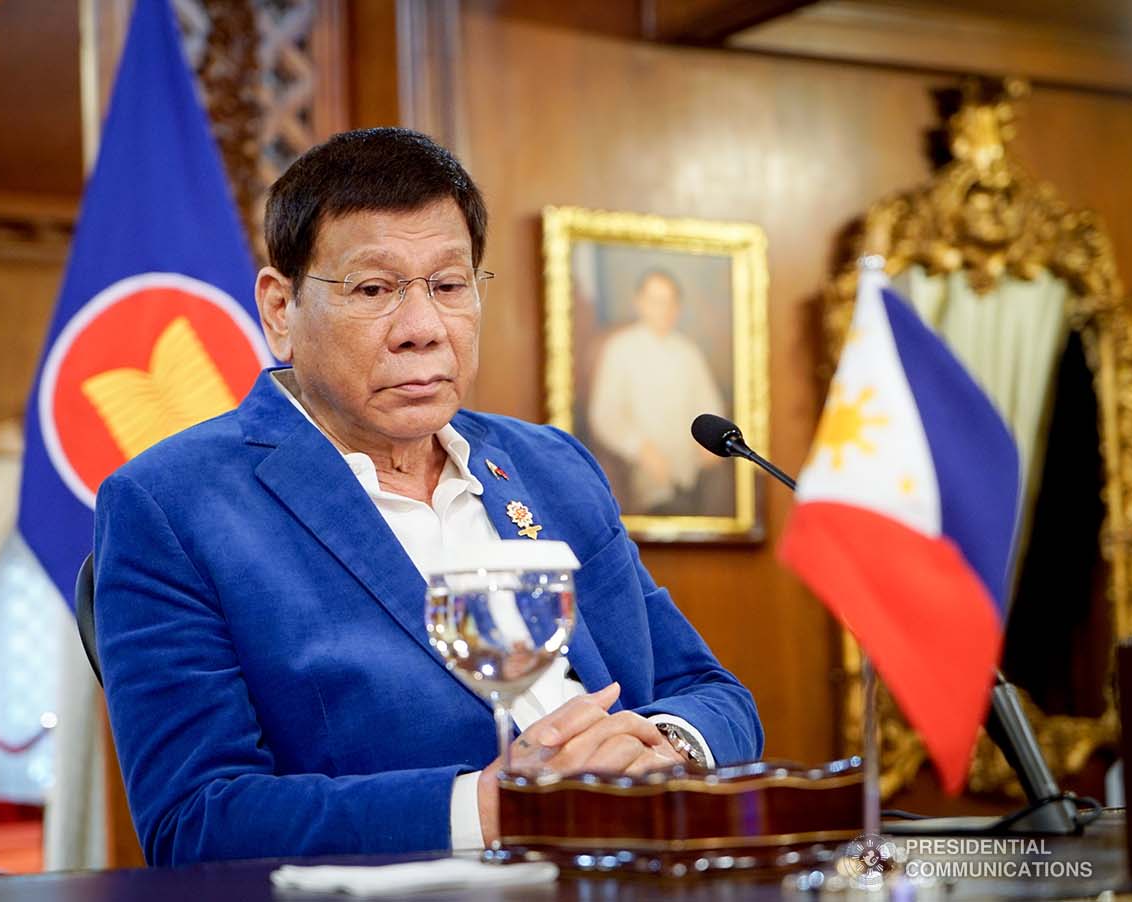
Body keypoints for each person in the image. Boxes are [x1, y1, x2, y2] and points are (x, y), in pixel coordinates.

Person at [93, 128, 763, 867]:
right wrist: (491, 807)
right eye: (374, 289)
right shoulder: (172, 504)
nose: (423, 330)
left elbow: (710, 692)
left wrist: (661, 749)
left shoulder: (552, 466)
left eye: (449, 286)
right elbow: (196, 821)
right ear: (281, 310)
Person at [587, 269, 727, 514]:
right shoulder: (620, 350)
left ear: (678, 307)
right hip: (641, 482)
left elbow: (709, 407)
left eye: (669, 302)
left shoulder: (688, 353)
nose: (663, 309)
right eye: (656, 301)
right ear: (640, 303)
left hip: (690, 479)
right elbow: (605, 416)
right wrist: (640, 448)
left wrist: (709, 446)